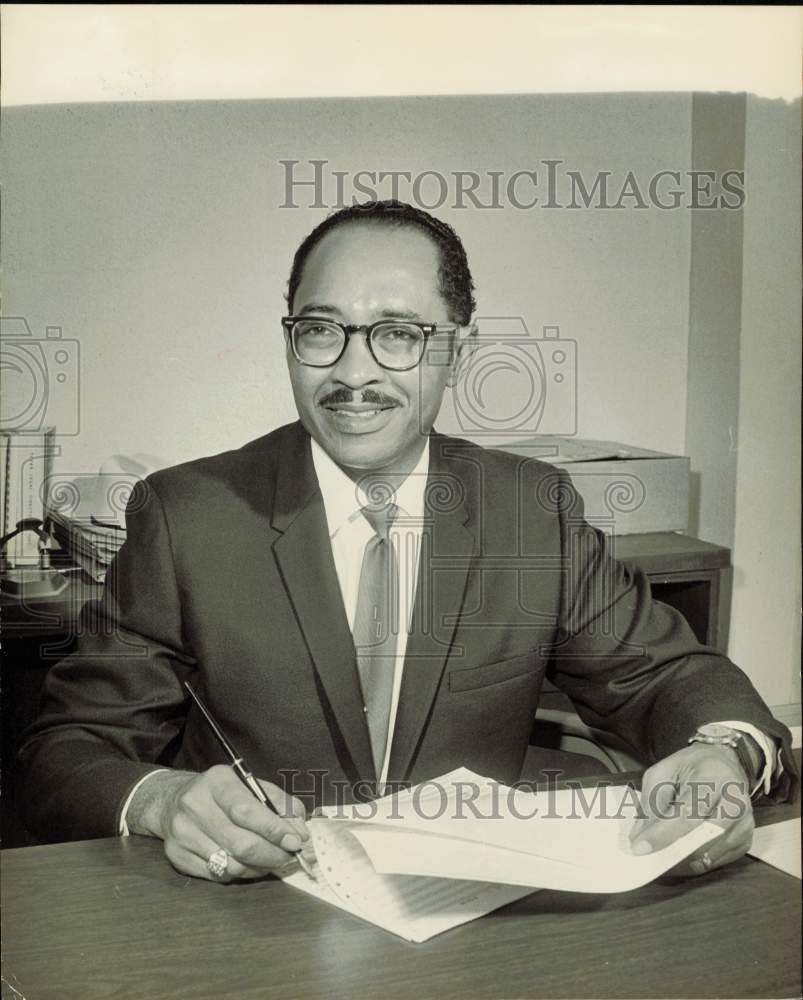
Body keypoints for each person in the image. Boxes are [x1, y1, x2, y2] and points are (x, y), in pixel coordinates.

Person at [19, 200, 796, 884]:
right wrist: (161, 801)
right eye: (320, 330)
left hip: (465, 922)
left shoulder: (529, 510)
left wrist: (719, 755)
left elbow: (665, 677)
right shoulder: (188, 515)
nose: (353, 373)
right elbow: (65, 753)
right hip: (247, 920)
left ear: (457, 346)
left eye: (397, 334)